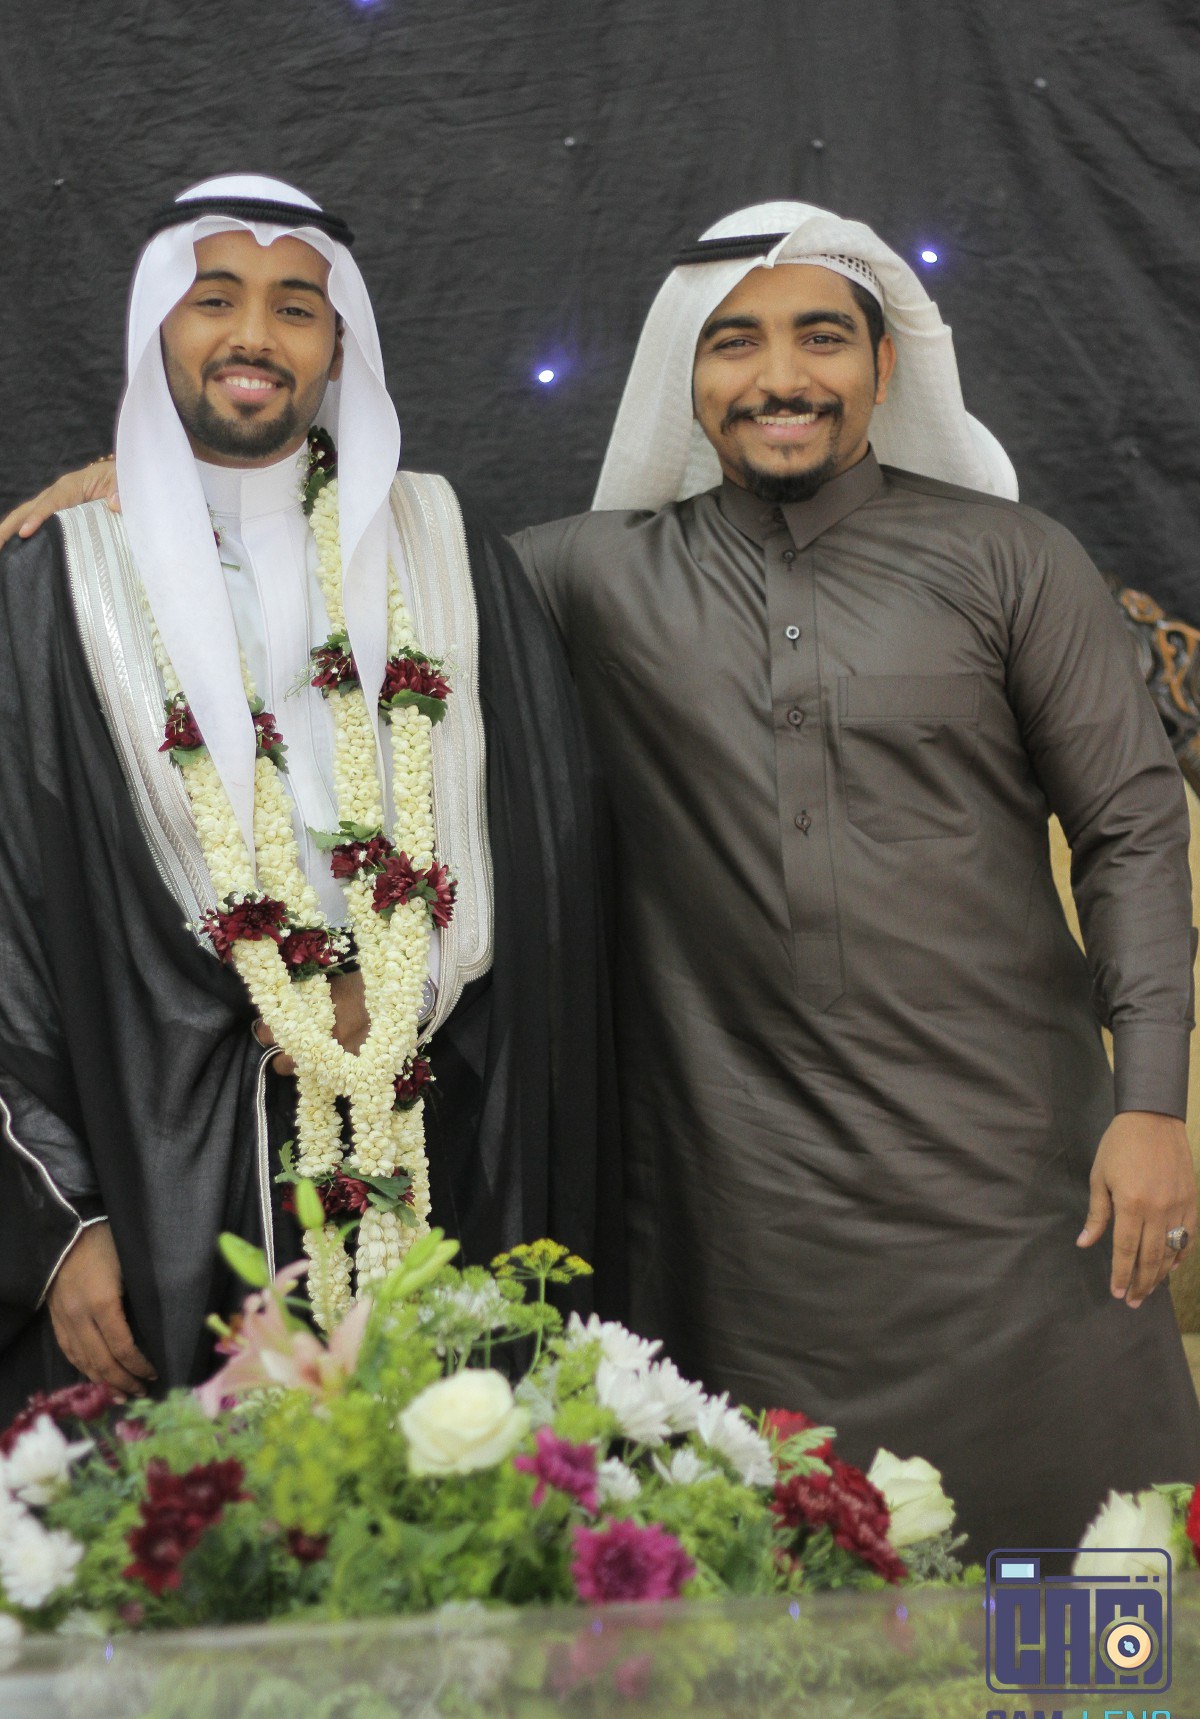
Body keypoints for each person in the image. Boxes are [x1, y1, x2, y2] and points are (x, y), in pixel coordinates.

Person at [12, 199, 1200, 1555]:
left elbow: (1133, 830)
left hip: (1025, 1182)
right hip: (741, 1218)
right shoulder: (585, 577)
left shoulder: (1014, 559)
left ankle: (1080, 1701)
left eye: (822, 338)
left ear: (886, 365)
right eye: (734, 344)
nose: (781, 378)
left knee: (1084, 1588)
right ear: (687, 381)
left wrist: (1152, 1105)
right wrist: (141, 483)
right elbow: (350, 573)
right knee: (789, 1587)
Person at [0, 175, 617, 1426]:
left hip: (440, 1149)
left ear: (338, 346)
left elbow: (548, 857)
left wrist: (407, 981)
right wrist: (58, 1222)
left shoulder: (449, 555)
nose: (253, 337)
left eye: (295, 307)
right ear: (157, 327)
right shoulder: (54, 589)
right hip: (157, 1178)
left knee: (445, 1494)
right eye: (213, 299)